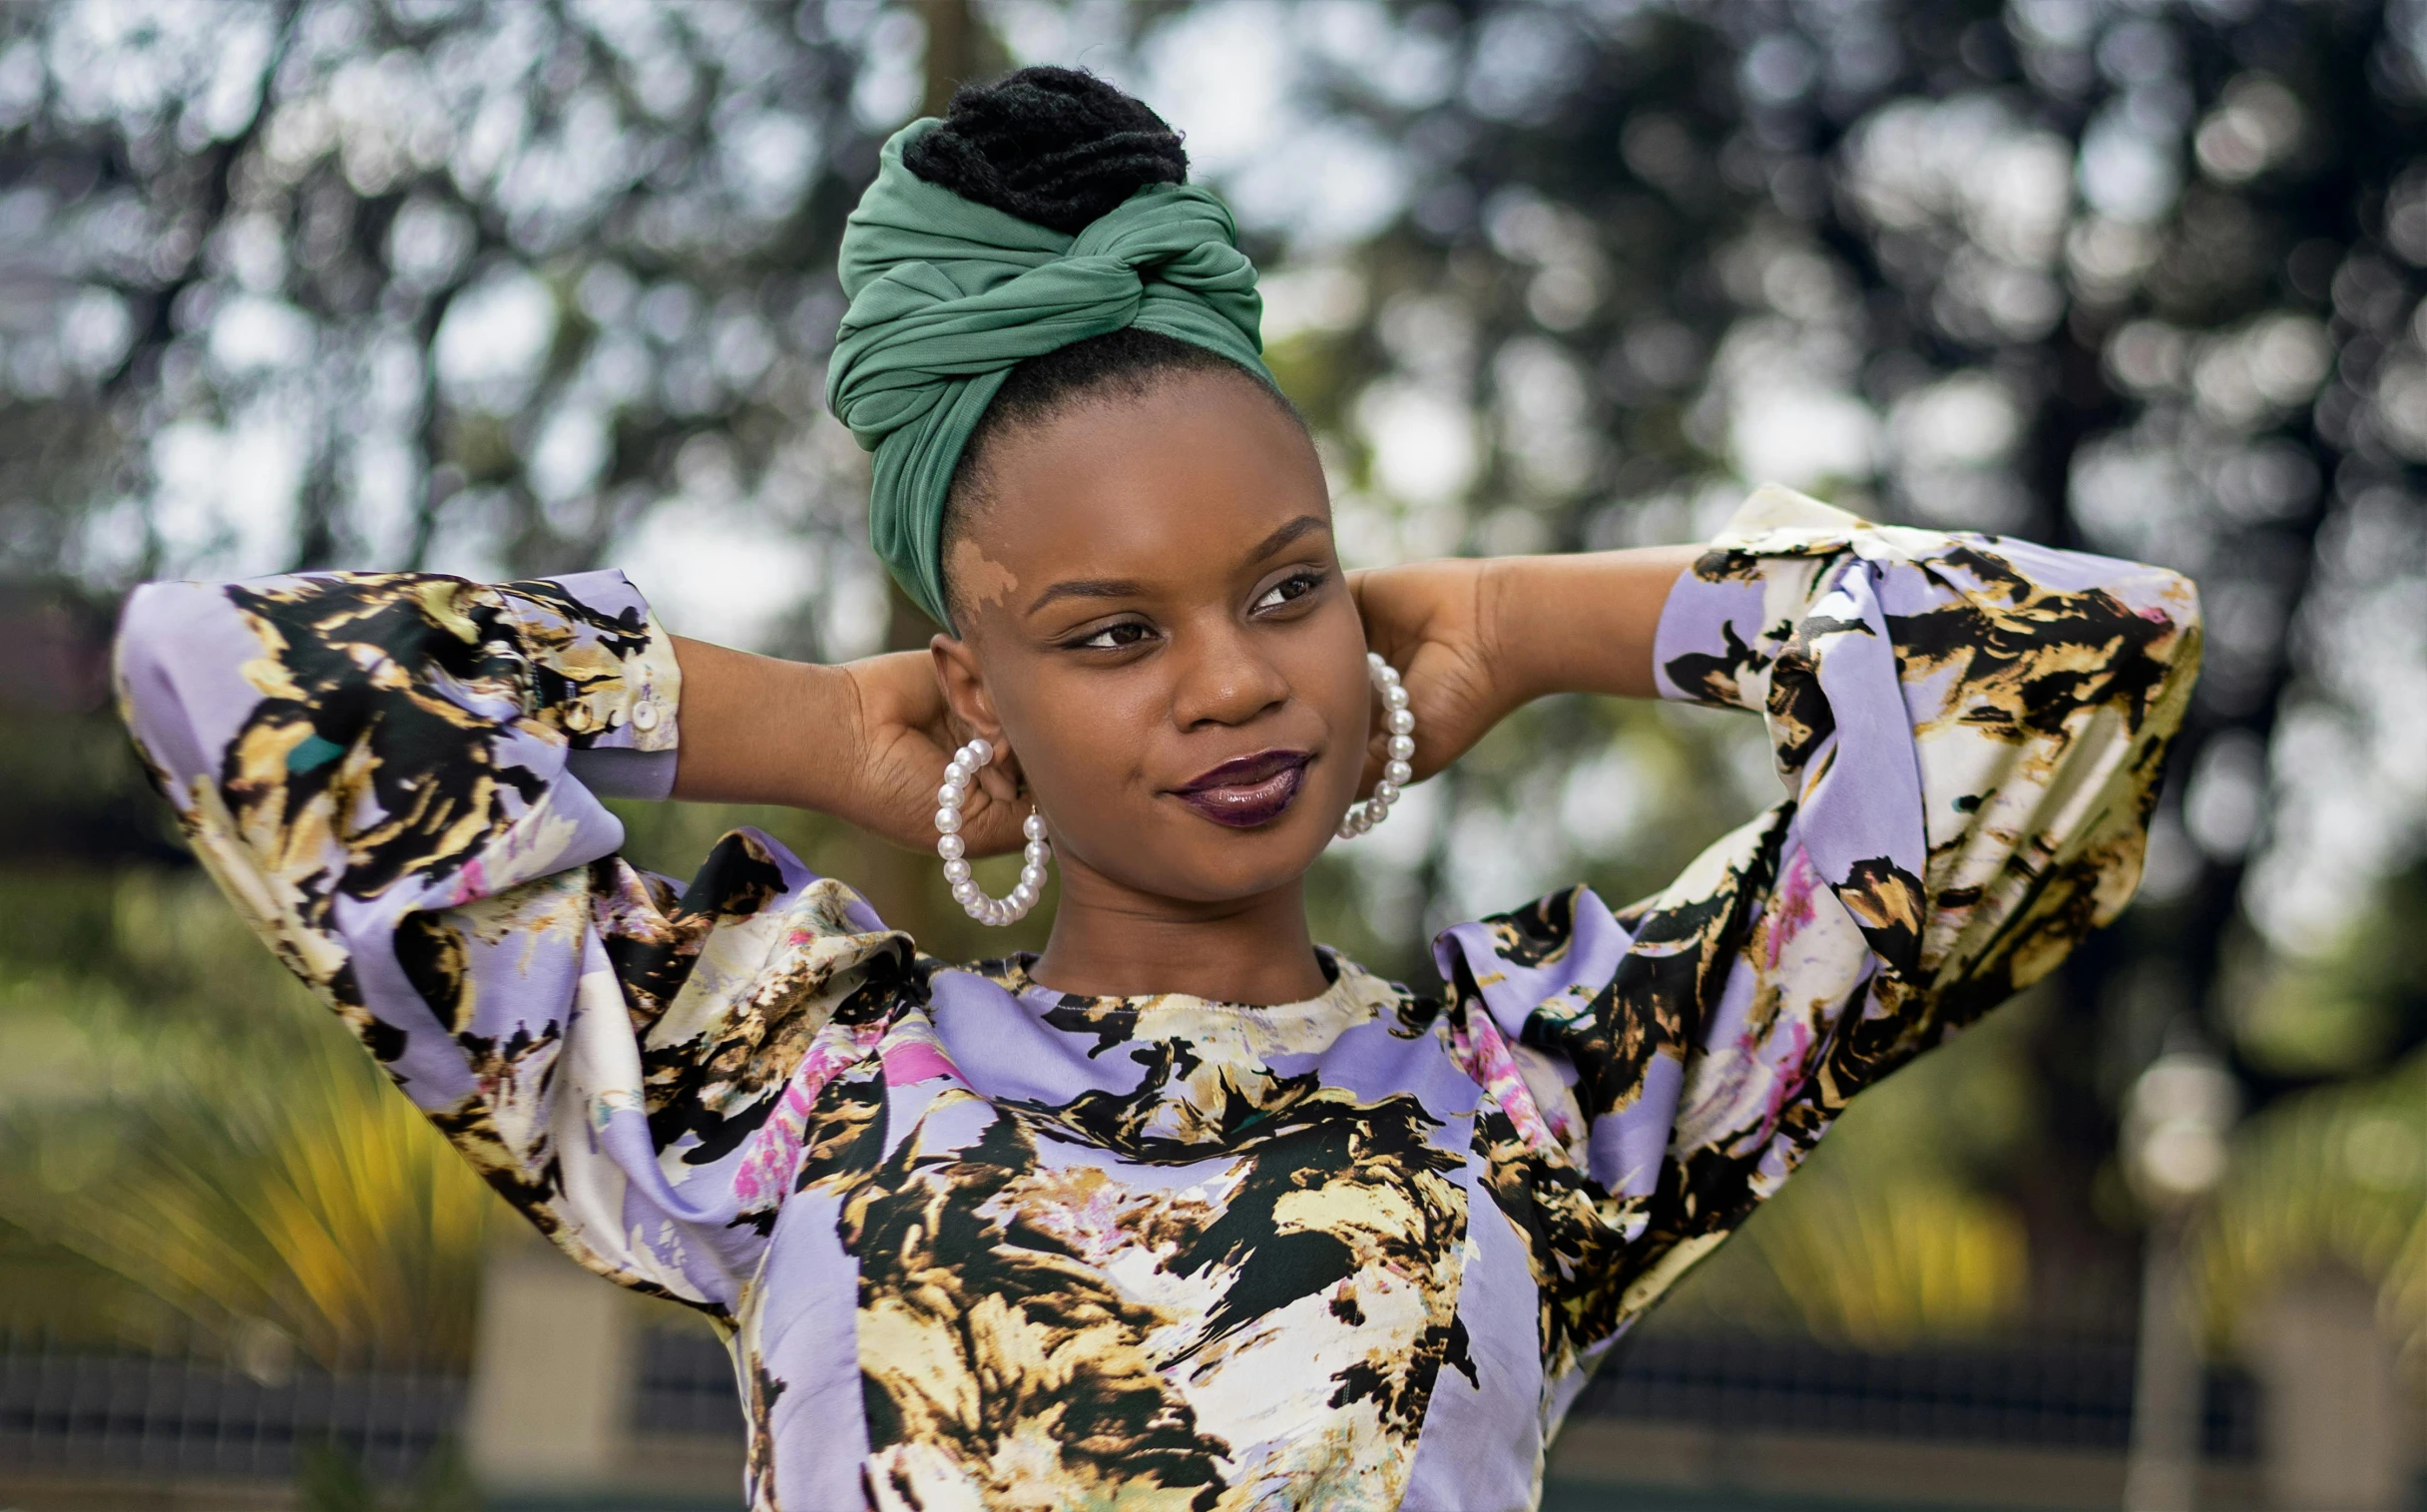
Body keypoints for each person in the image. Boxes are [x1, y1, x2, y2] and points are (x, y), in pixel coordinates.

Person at [114, 67, 2198, 1512]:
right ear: (980, 683)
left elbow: (2074, 666)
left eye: (1287, 588)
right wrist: (816, 734)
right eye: (1111, 632)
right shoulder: (767, 1082)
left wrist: (1517, 614)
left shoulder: (1555, 1098)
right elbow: (232, 676)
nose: (1232, 683)